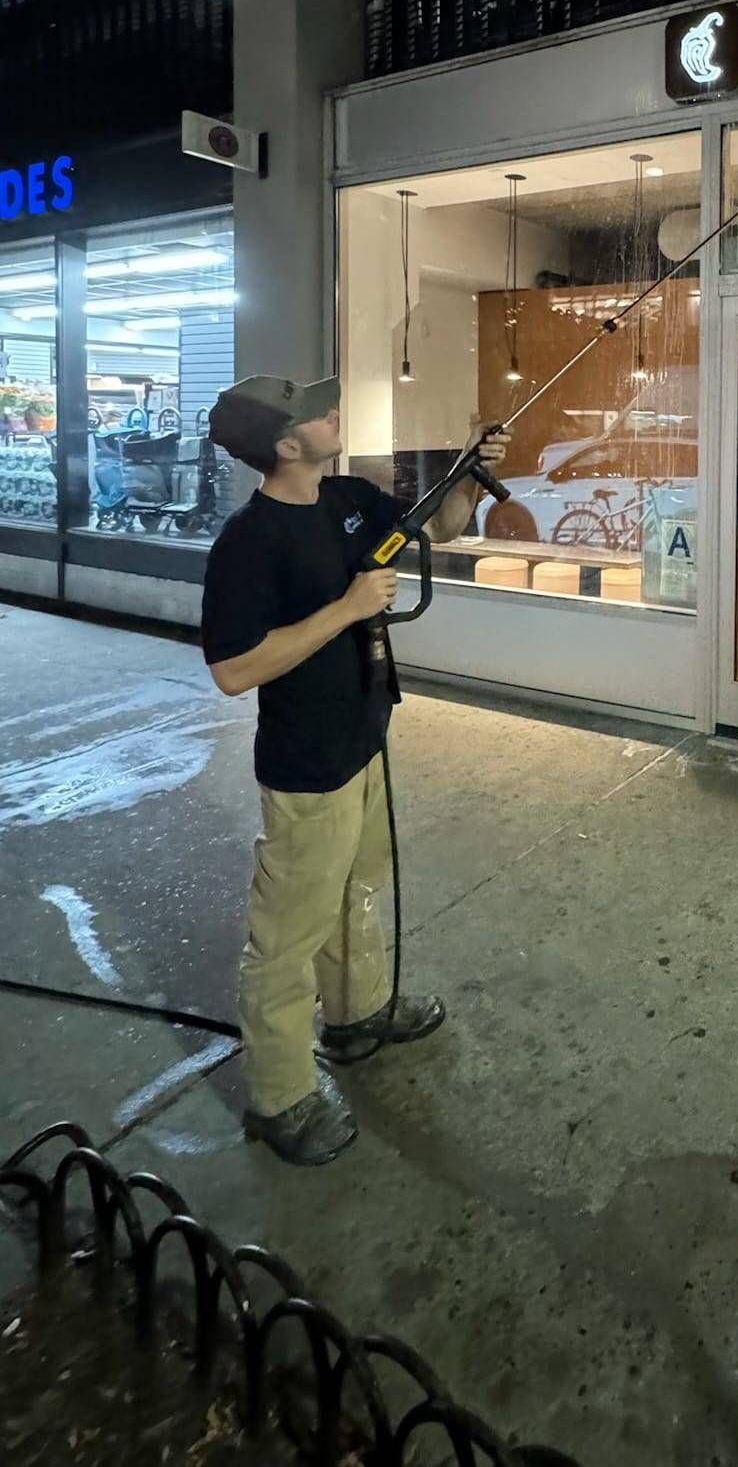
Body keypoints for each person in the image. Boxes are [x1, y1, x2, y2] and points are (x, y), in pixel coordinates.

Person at [201, 376, 506, 1166]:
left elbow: (428, 527)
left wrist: (468, 474)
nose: (334, 415)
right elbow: (234, 670)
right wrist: (344, 607)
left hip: (364, 730)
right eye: (316, 413)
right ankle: (279, 1095)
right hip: (307, 759)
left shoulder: (345, 495)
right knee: (287, 934)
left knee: (358, 886)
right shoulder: (248, 542)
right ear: (285, 445)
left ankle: (358, 1010)